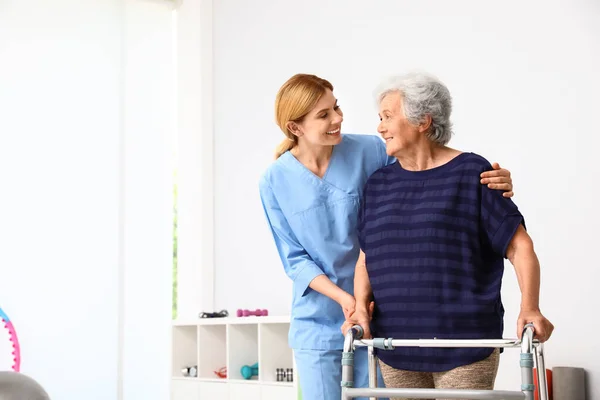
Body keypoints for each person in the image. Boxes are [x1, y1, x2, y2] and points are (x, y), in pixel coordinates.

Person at [258, 73, 515, 400]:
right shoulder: (274, 180)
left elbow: (430, 163)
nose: (338, 118)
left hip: (380, 312)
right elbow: (294, 259)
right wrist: (346, 299)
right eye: (324, 115)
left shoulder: (371, 150)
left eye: (335, 108)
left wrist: (484, 177)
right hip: (318, 317)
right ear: (296, 128)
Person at [342, 71, 554, 400]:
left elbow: (519, 246)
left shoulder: (471, 172)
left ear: (423, 120)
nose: (380, 127)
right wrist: (359, 308)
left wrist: (530, 308)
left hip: (465, 345)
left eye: (387, 117)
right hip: (396, 347)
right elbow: (365, 261)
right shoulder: (378, 185)